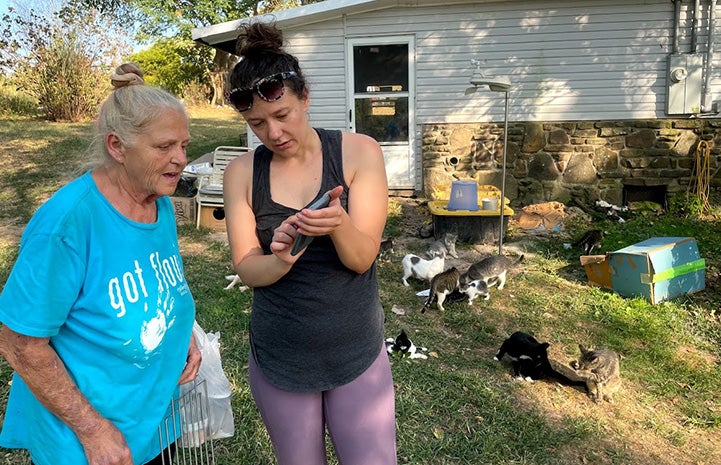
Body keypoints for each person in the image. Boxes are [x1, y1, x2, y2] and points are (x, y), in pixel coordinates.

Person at [0, 63, 201, 465]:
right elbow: (19, 343)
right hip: (92, 442)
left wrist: (184, 332)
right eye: (164, 147)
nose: (180, 159)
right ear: (116, 146)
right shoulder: (67, 224)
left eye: (184, 144)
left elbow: (160, 282)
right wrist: (93, 430)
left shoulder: (157, 202)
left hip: (154, 419)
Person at [223, 22, 397, 465]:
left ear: (305, 97)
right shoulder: (242, 173)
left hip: (356, 351)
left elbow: (361, 260)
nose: (273, 133)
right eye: (257, 124)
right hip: (281, 357)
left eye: (282, 116)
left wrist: (337, 223)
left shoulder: (359, 152)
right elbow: (247, 267)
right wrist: (280, 259)